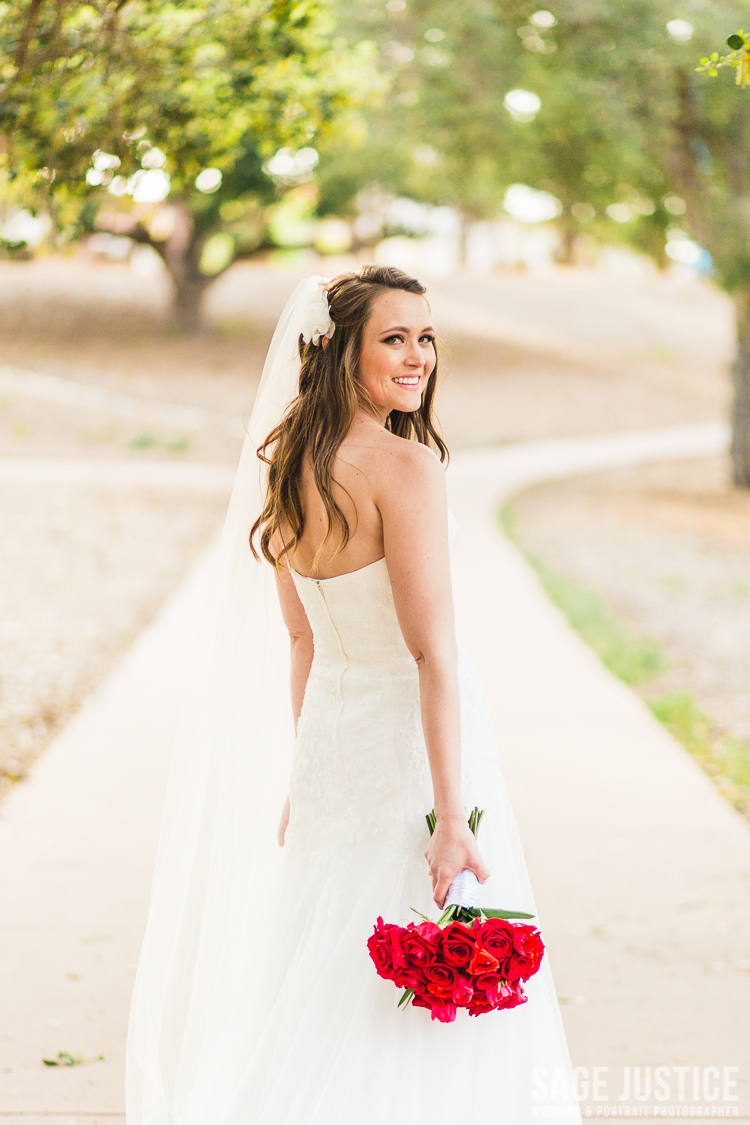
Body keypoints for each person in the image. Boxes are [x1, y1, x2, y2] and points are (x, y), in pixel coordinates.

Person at [126, 266, 582, 1125]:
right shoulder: (404, 465)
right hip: (417, 748)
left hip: (336, 750)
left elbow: (304, 639)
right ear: (339, 351)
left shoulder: (285, 461)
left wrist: (308, 773)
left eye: (427, 336)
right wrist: (453, 815)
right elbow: (430, 653)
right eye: (394, 337)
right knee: (422, 965)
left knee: (333, 957)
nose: (419, 357)